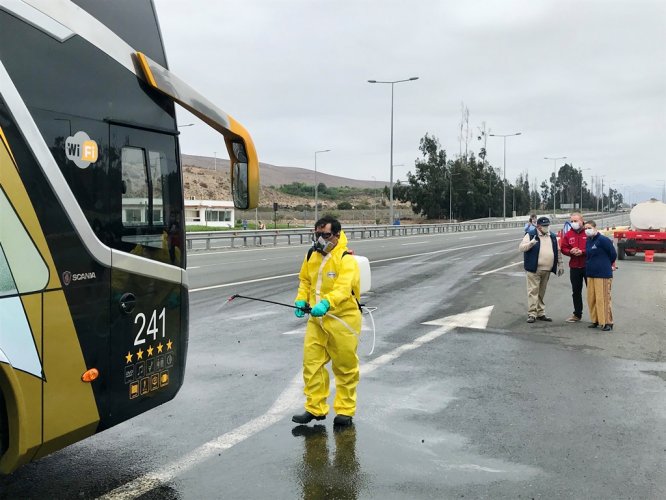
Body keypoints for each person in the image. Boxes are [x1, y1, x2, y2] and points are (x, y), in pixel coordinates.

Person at [292, 216, 362, 427]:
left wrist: (327, 303)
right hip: (317, 320)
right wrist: (301, 299)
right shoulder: (312, 255)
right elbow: (305, 279)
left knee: (345, 367)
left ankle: (345, 411)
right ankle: (315, 408)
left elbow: (342, 288)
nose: (321, 239)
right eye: (317, 234)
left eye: (325, 235)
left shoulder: (346, 258)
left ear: (337, 235)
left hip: (342, 320)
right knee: (311, 364)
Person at [518, 216, 564, 323]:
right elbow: (521, 248)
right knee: (533, 291)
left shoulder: (552, 236)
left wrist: (560, 264)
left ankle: (541, 313)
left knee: (541, 292)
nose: (546, 227)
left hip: (547, 269)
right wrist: (531, 243)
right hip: (534, 269)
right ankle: (532, 313)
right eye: (544, 226)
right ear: (538, 226)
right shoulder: (531, 235)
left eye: (547, 225)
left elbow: (558, 251)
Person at [584, 220, 617, 331]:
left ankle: (607, 322)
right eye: (585, 228)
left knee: (603, 298)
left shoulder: (603, 240)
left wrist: (606, 264)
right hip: (590, 273)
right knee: (591, 298)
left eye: (589, 228)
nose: (587, 230)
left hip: (602, 273)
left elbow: (612, 254)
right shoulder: (588, 241)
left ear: (595, 228)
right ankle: (596, 320)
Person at [560, 212, 587, 322]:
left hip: (588, 266)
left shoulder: (588, 232)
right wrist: (570, 251)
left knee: (592, 292)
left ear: (582, 221)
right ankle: (577, 314)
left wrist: (583, 252)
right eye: (571, 221)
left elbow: (594, 247)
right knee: (576, 291)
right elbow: (563, 248)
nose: (573, 223)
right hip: (575, 267)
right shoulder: (568, 234)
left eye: (575, 221)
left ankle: (597, 315)